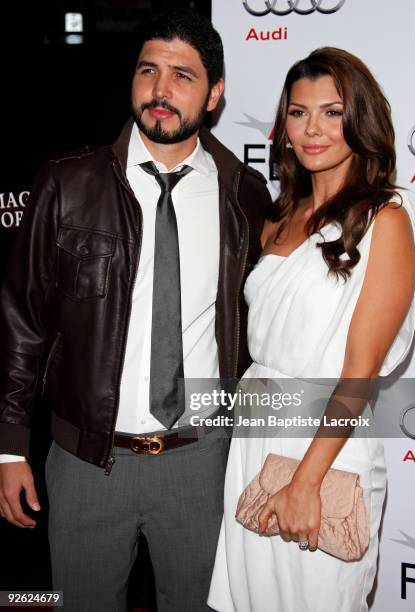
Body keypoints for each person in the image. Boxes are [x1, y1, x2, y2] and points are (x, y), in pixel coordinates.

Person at [0, 10, 271, 612]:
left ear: (215, 93)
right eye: (149, 70)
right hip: (88, 462)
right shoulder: (67, 184)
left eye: (182, 75)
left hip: (200, 459)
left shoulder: (244, 196)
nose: (160, 90)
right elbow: (23, 321)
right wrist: (11, 446)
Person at [208, 47, 415, 612]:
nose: (313, 130)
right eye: (298, 113)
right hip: (255, 438)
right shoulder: (279, 217)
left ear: (360, 121)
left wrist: (305, 483)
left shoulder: (386, 220)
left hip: (326, 450)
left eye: (332, 112)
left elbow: (359, 374)